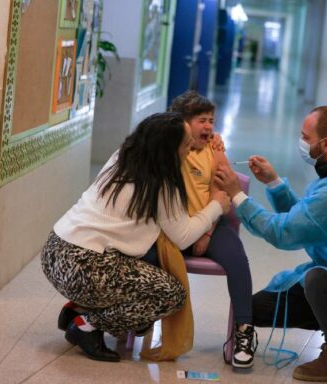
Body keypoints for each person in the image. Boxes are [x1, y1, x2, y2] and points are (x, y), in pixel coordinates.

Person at [214, 106, 327, 381]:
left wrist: (236, 196)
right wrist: (274, 182)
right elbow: (309, 217)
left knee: (316, 280)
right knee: (253, 309)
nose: (301, 142)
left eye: (305, 137)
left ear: (324, 144)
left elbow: (284, 232)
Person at [41, 112, 230, 363]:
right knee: (170, 294)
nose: (189, 149)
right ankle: (86, 325)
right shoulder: (163, 182)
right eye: (185, 145)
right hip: (85, 267)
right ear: (167, 150)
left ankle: (79, 307)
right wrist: (216, 206)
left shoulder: (124, 155)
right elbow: (183, 236)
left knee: (145, 272)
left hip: (55, 251)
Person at [168, 90, 257, 368]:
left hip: (211, 224)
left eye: (211, 121)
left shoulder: (214, 149)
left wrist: (206, 231)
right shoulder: (169, 146)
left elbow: (224, 186)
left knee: (238, 260)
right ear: (183, 122)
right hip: (173, 225)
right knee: (143, 254)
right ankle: (132, 317)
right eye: (201, 121)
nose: (208, 127)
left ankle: (243, 331)